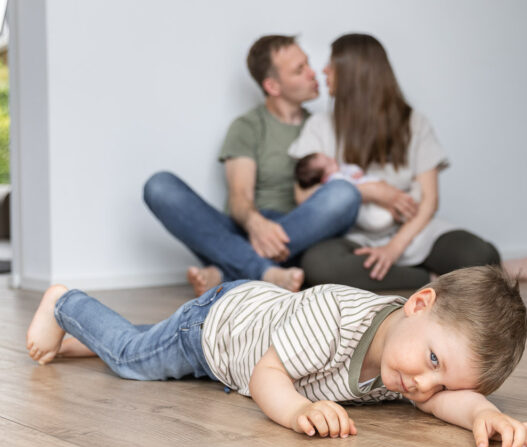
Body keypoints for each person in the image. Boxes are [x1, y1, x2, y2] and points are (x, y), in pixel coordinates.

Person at [26, 265, 527, 447]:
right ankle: (65, 303)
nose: (420, 385)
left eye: (441, 382)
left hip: (256, 329)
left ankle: (75, 339)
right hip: (215, 329)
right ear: (418, 303)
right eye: (432, 360)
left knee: (145, 342)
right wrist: (298, 411)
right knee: (134, 358)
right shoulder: (335, 319)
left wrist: (487, 415)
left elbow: (448, 401)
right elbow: (266, 374)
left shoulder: (408, 355)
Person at [290, 33, 527, 290]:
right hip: (352, 238)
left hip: (412, 231)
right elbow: (304, 197)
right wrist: (371, 191)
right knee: (319, 266)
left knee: (474, 253)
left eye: (332, 64)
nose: (323, 71)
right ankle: (433, 279)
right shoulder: (319, 126)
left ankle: (482, 268)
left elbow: (429, 200)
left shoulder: (414, 123)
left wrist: (394, 248)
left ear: (354, 74)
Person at [142, 35, 362, 298]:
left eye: (308, 64)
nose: (313, 73)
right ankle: (265, 273)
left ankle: (228, 274)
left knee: (346, 193)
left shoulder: (323, 128)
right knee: (160, 187)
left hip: (298, 234)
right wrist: (257, 225)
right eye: (299, 70)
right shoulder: (247, 127)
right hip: (247, 227)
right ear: (273, 86)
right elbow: (239, 197)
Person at [294, 152, 397, 233]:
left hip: (376, 191)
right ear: (325, 178)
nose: (333, 159)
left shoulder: (341, 169)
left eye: (329, 157)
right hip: (367, 208)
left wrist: (355, 173)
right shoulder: (333, 180)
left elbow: (352, 169)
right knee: (380, 215)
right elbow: (346, 189)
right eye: (330, 163)